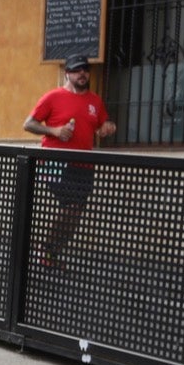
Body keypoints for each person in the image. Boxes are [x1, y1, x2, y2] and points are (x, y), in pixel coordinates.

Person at [23, 54, 116, 267]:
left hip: (83, 164)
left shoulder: (95, 101)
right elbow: (28, 124)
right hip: (55, 162)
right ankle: (45, 247)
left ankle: (51, 252)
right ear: (67, 73)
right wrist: (54, 130)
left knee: (76, 212)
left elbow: (103, 124)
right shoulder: (53, 97)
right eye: (76, 70)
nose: (82, 73)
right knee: (72, 204)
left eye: (85, 69)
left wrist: (108, 128)